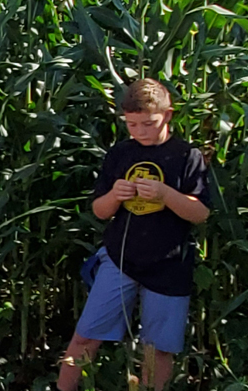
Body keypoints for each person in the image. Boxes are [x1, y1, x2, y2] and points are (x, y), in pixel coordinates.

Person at [56, 78, 211, 391]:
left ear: (168, 115)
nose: (140, 131)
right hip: (120, 258)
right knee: (85, 336)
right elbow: (100, 210)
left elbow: (200, 213)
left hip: (169, 263)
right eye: (132, 124)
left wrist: (166, 194)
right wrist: (115, 195)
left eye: (148, 124)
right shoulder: (120, 154)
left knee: (158, 349)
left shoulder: (186, 156)